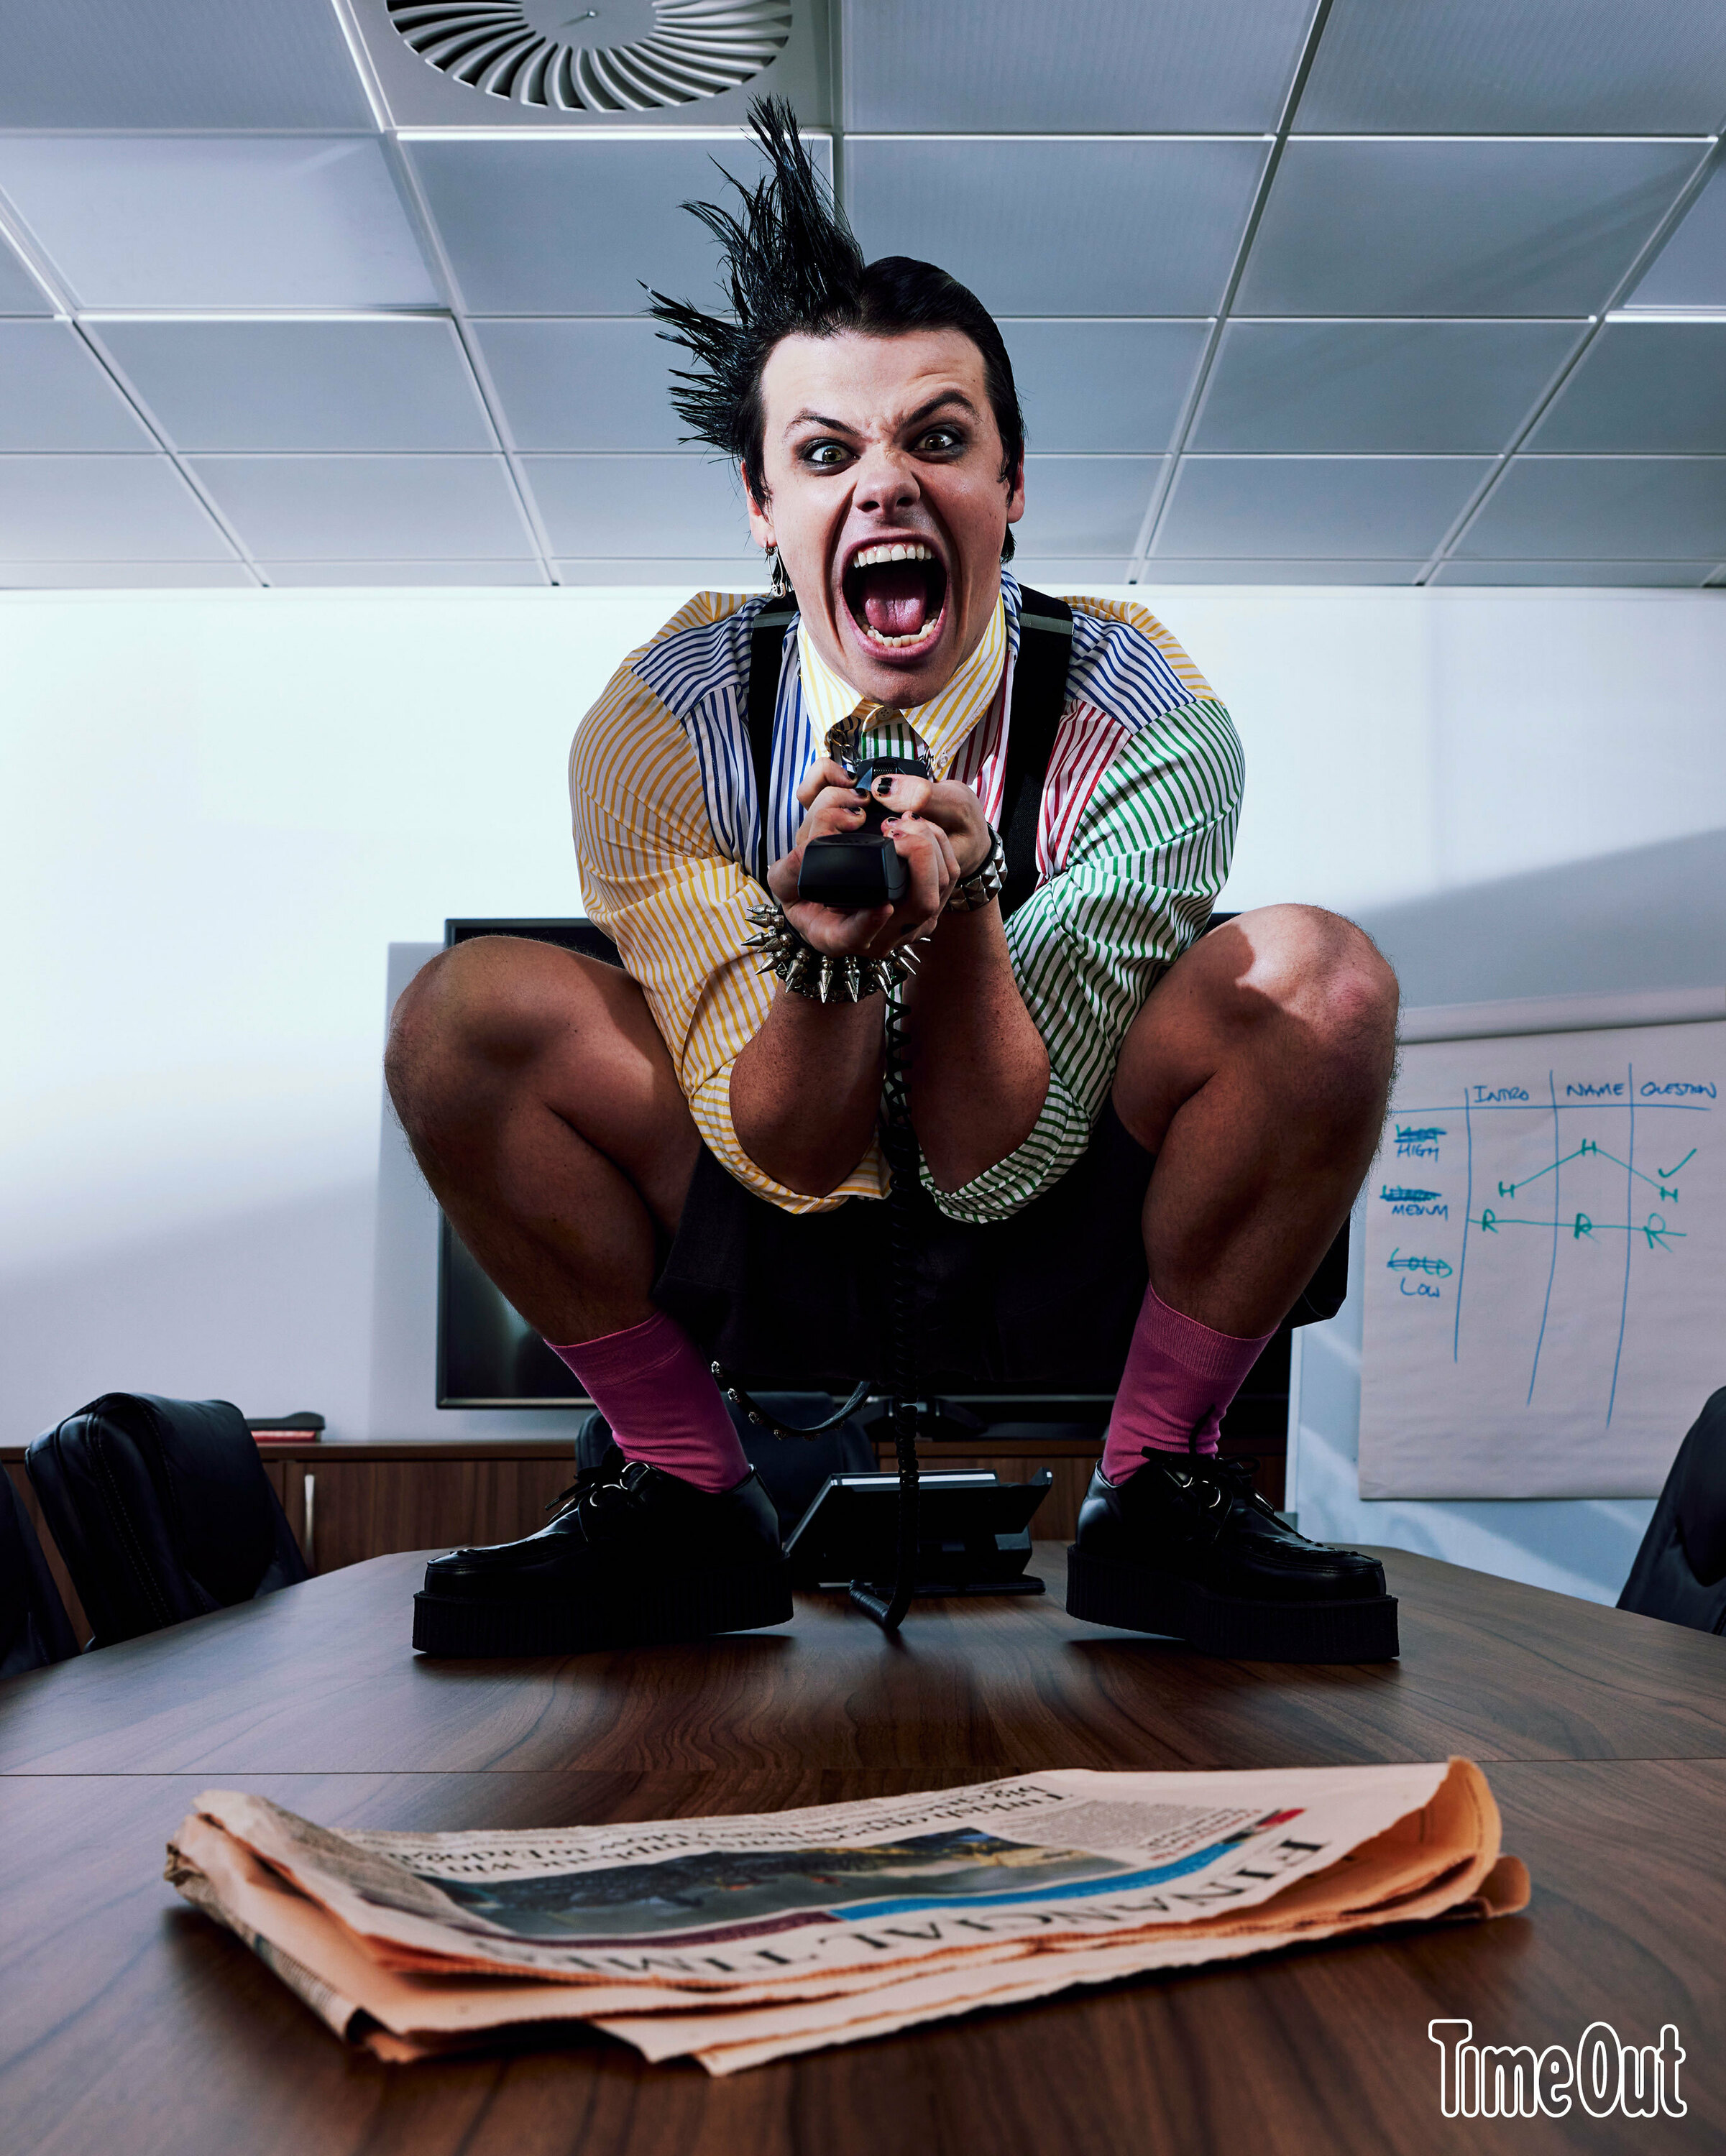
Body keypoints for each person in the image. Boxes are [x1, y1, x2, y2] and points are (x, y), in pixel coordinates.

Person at [391, 101, 1400, 1661]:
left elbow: (997, 1158)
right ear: (763, 510)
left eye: (938, 439)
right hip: (763, 1215)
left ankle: (1157, 1488)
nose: (883, 485)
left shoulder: (1153, 714)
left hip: (1049, 1225)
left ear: (1009, 489)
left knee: (1318, 976)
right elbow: (787, 1155)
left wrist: (971, 898)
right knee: (463, 1018)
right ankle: (679, 1493)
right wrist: (831, 963)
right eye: (823, 453)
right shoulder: (657, 720)